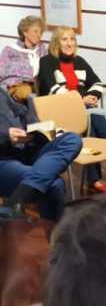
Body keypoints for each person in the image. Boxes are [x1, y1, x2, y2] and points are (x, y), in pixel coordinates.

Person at [38, 26, 106, 193]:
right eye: (65, 39)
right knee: (91, 112)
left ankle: (95, 179)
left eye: (72, 39)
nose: (69, 43)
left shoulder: (80, 61)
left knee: (91, 116)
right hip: (57, 113)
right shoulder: (46, 61)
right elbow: (51, 88)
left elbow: (97, 83)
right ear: (56, 43)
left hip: (82, 110)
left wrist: (90, 96)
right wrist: (79, 100)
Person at [0, 86, 81, 221]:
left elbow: (33, 125)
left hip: (28, 151)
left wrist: (46, 131)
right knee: (54, 184)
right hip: (5, 160)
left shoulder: (12, 94)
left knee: (72, 139)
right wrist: (5, 137)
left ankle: (15, 201)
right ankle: (56, 236)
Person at [0, 16, 47, 101]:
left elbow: (46, 74)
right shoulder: (10, 50)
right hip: (8, 89)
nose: (39, 35)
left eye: (41, 32)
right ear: (25, 32)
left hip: (30, 90)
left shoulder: (42, 50)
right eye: (35, 31)